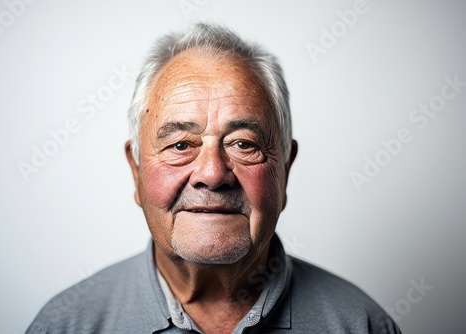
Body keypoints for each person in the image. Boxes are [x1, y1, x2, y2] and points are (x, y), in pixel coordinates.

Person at [26, 23, 401, 334]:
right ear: (136, 171)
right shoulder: (66, 325)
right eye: (180, 145)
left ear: (284, 171)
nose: (212, 174)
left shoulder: (361, 325)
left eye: (243, 143)